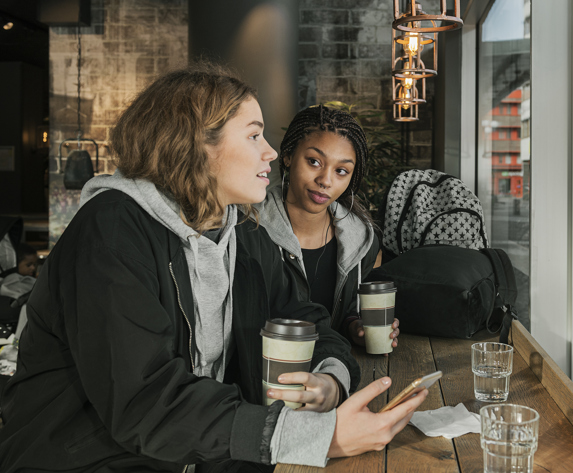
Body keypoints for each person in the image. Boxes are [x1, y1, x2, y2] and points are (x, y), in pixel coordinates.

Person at [0, 65, 427, 472]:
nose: (271, 152)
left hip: (202, 459)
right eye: (255, 135)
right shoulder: (111, 231)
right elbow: (145, 402)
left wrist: (329, 383)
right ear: (194, 144)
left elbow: (307, 321)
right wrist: (316, 437)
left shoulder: (242, 229)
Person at [255, 105, 399, 367]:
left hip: (339, 373)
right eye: (314, 162)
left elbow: (349, 309)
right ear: (288, 156)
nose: (325, 180)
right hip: (267, 378)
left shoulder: (362, 240)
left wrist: (356, 327)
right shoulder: (249, 229)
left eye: (341, 171)